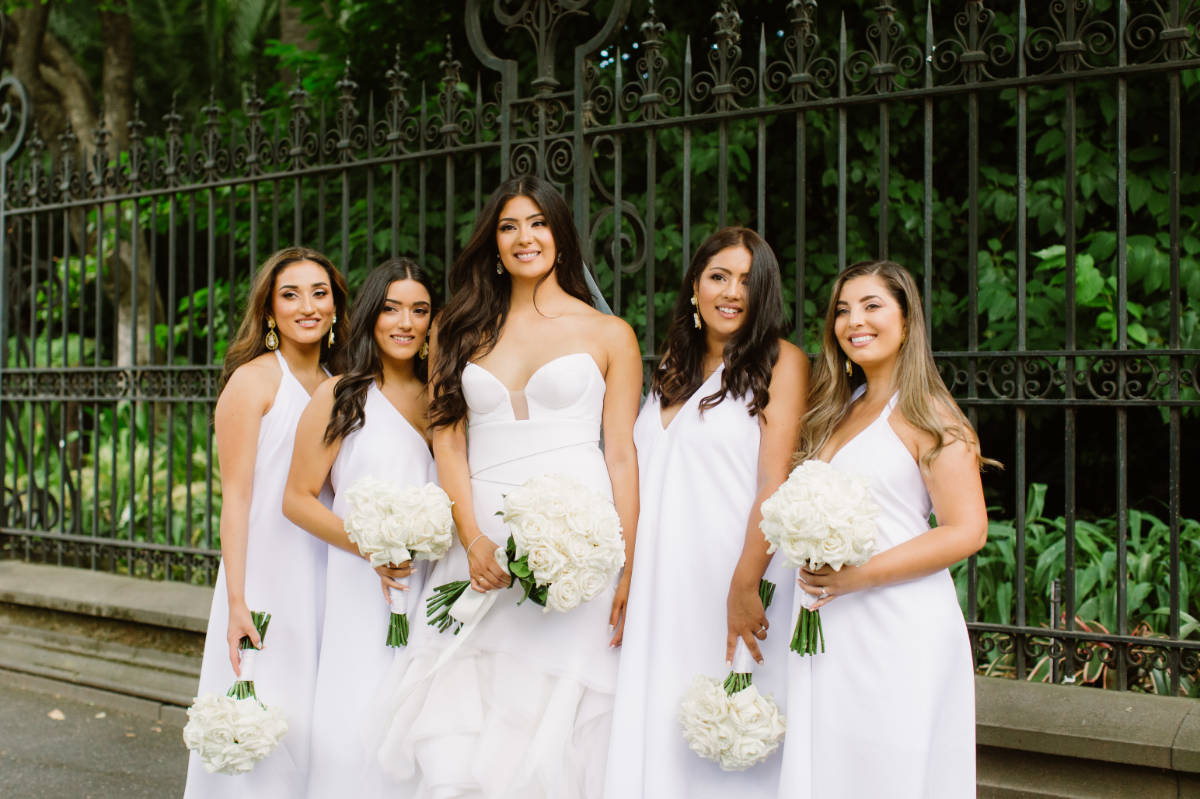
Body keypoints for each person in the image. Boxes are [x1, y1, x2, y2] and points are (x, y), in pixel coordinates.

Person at [373, 174, 642, 799]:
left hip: (577, 544)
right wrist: (470, 541)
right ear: (493, 243)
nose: (525, 237)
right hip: (478, 542)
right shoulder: (458, 327)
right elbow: (448, 440)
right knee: (458, 727)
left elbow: (623, 455)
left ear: (561, 234)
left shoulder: (610, 335)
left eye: (538, 223)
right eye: (509, 226)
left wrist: (626, 564)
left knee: (556, 726)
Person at [776, 260, 993, 798]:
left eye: (872, 306)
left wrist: (860, 576)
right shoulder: (836, 407)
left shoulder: (932, 416)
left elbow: (967, 531)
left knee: (888, 771)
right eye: (843, 311)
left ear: (906, 319)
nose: (855, 321)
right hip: (832, 626)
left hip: (898, 625)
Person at [604, 227, 808, 798]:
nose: (732, 291)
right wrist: (629, 569)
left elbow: (775, 480)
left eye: (748, 280)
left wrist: (745, 583)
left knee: (730, 721)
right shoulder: (673, 364)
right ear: (696, 286)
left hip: (736, 570)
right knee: (663, 716)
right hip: (661, 577)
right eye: (719, 276)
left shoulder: (781, 363)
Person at [184, 246, 349, 798]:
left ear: (335, 306)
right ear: (269, 310)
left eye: (319, 293)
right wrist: (237, 600)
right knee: (263, 712)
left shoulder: (342, 381)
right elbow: (236, 498)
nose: (308, 306)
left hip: (327, 569)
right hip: (266, 577)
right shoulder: (253, 382)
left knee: (312, 718)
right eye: (291, 294)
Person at [282, 258, 436, 797]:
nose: (405, 322)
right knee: (356, 719)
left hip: (429, 583)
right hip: (359, 579)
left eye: (419, 310)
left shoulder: (445, 399)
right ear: (372, 315)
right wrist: (373, 547)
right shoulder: (343, 394)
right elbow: (297, 499)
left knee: (417, 722)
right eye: (392, 308)